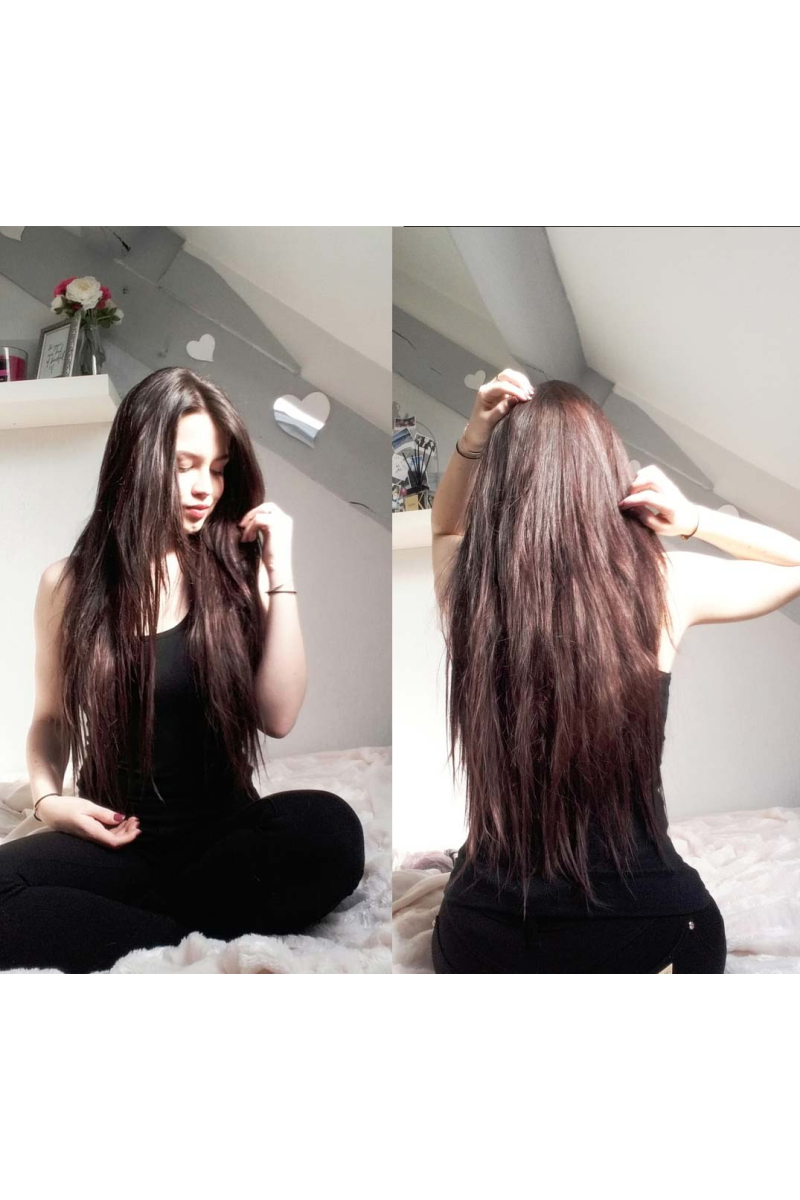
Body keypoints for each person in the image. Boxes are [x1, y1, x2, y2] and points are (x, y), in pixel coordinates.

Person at [430, 369, 800, 974]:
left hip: (485, 937)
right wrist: (692, 520)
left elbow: (447, 526)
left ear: (502, 480)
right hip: (655, 931)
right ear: (606, 476)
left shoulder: (473, 586)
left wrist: (474, 436)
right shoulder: (662, 583)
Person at [0, 367, 365, 973]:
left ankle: (147, 926)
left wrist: (280, 574)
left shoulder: (234, 570)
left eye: (218, 468)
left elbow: (278, 716)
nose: (206, 488)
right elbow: (50, 720)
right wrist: (47, 801)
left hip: (224, 838)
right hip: (117, 838)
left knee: (332, 829)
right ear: (136, 461)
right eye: (184, 466)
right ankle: (178, 929)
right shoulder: (67, 585)